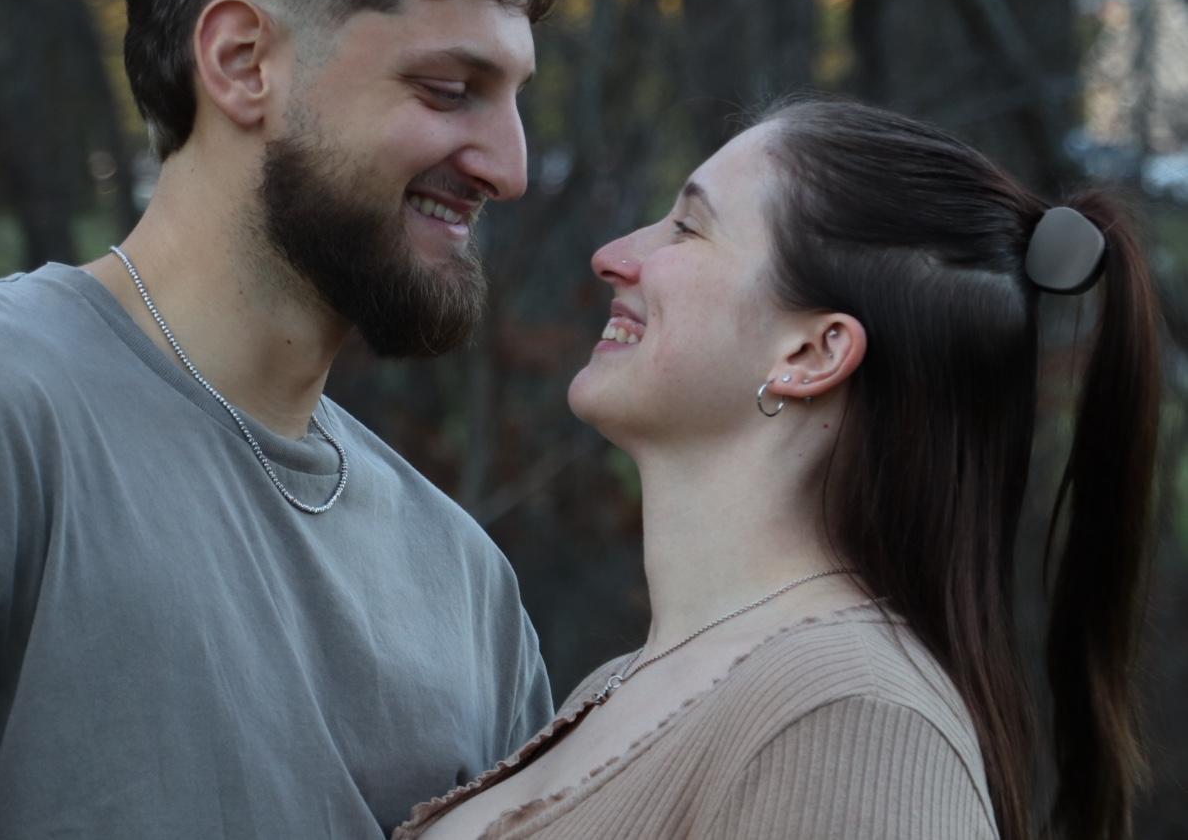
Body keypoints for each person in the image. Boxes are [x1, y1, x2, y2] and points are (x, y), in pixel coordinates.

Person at [0, 0, 569, 839]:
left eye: (514, 98)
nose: (507, 166)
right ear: (242, 63)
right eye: (448, 89)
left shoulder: (465, 584)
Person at [396, 96, 1160, 840]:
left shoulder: (853, 724)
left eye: (687, 227)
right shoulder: (627, 685)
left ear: (810, 353)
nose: (614, 256)